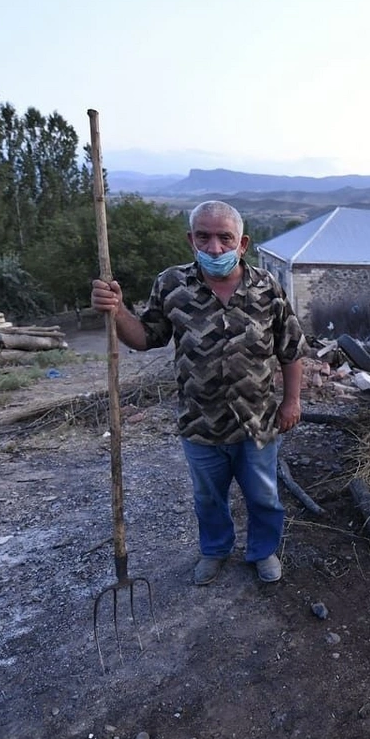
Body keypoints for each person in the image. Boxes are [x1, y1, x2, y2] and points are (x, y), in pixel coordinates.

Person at [90, 200, 306, 585]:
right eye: (204, 237)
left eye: (225, 238)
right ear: (191, 239)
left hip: (258, 421)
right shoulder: (172, 285)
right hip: (200, 422)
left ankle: (263, 551)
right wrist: (117, 310)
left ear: (242, 244)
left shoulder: (267, 289)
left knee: (264, 497)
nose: (215, 248)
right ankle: (215, 550)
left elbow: (290, 350)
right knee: (208, 499)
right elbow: (145, 337)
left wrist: (292, 401)